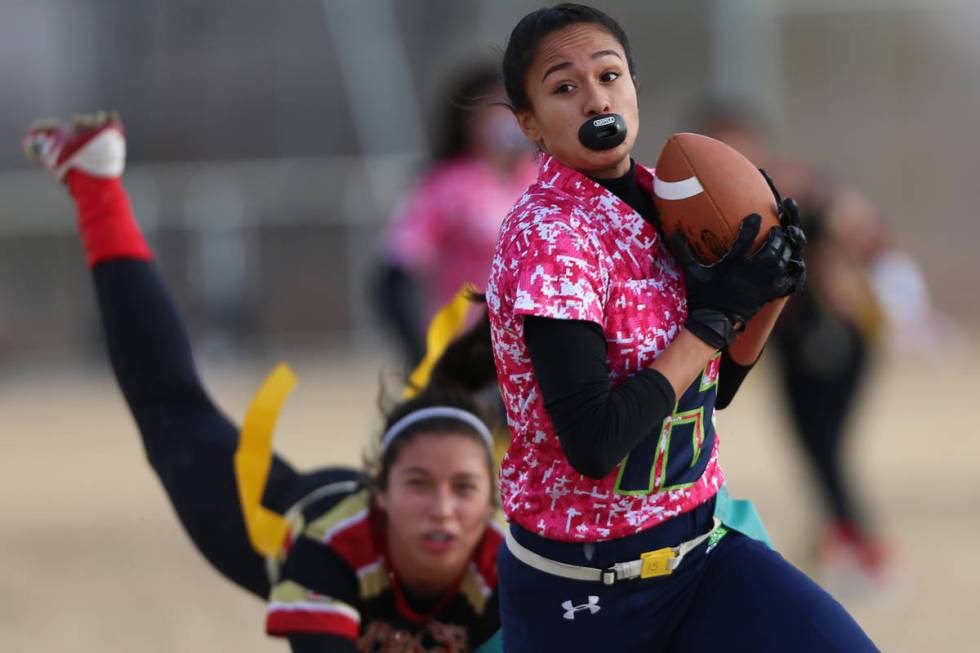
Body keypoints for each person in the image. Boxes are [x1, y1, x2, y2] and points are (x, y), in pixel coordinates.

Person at [23, 112, 504, 653]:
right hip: (279, 516)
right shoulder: (328, 549)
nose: (442, 508)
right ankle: (95, 185)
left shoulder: (511, 571)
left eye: (464, 489)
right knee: (171, 408)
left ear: (494, 503)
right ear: (381, 494)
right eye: (418, 484)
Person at [485, 4, 878, 652]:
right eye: (564, 86)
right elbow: (596, 439)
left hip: (700, 556)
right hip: (583, 591)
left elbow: (709, 390)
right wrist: (713, 317)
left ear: (634, 87)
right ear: (528, 121)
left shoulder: (670, 201)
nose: (594, 97)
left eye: (609, 75)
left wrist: (771, 287)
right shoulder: (550, 235)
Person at [689, 95, 892, 583]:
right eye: (715, 141)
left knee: (824, 445)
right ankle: (838, 531)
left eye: (734, 139)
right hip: (786, 341)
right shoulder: (703, 204)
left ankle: (864, 544)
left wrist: (840, 269)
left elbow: (865, 230)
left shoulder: (795, 186)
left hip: (837, 336)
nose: (727, 150)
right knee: (807, 443)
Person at [375, 64, 536, 369]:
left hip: (536, 352)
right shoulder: (446, 187)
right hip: (467, 353)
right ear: (468, 120)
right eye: (495, 108)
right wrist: (417, 354)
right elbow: (393, 274)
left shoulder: (542, 180)